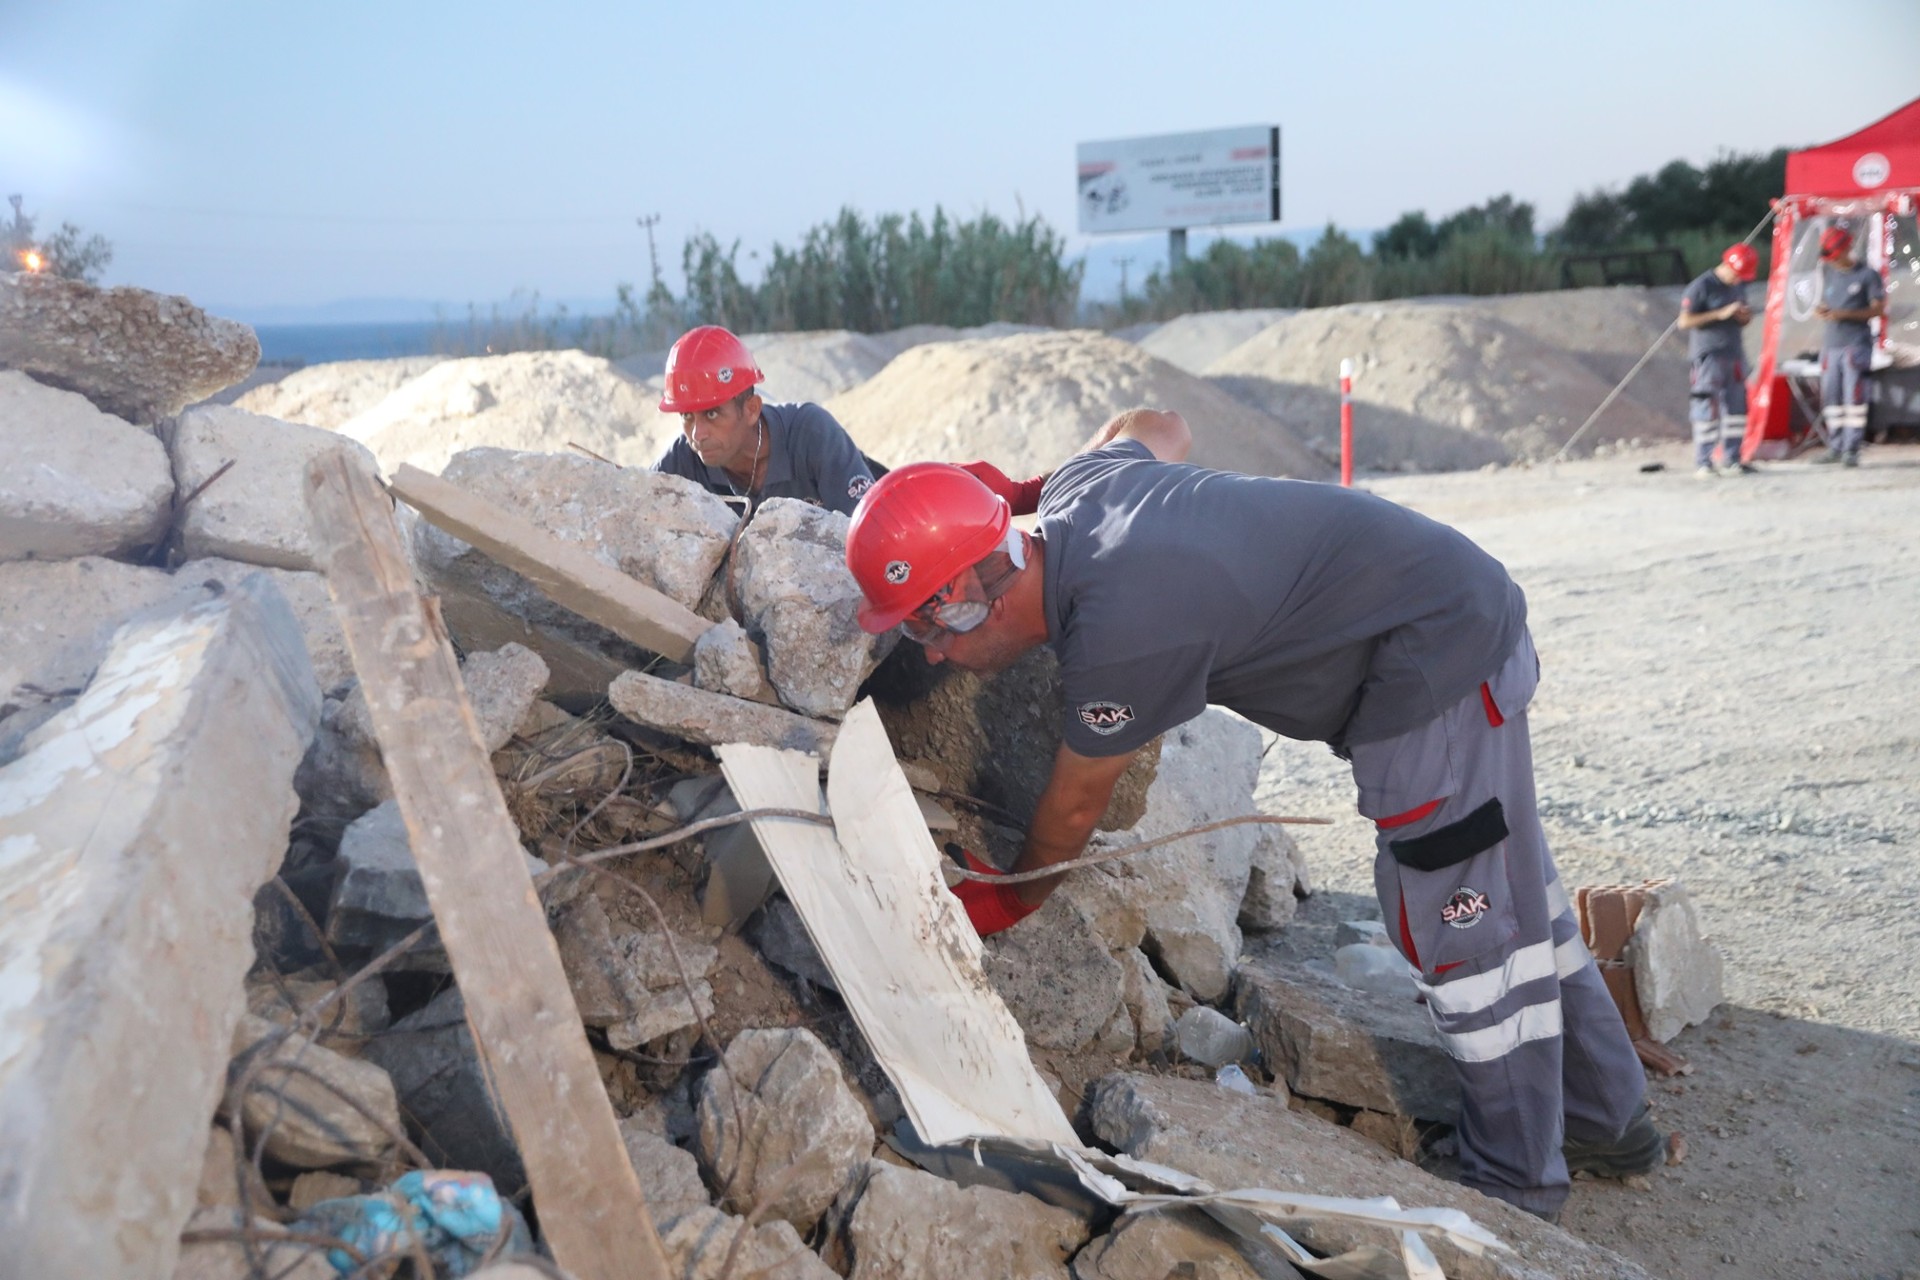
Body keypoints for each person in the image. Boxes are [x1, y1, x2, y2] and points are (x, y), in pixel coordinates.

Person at [843, 410, 1659, 1221]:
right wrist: (1029, 486)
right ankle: (1604, 1119)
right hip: (1456, 607)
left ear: (962, 599)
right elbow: (1160, 426)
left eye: (923, 626)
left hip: (1434, 662)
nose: (933, 655)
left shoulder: (1121, 630)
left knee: (1461, 926)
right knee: (1517, 895)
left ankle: (1517, 1183)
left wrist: (1013, 896)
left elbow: (1076, 803)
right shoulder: (1082, 489)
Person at [653, 325, 877, 515]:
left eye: (712, 414)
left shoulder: (811, 434)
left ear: (751, 410)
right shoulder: (683, 460)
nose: (697, 434)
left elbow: (873, 529)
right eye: (687, 416)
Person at [1677, 244, 1758, 477]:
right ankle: (1704, 461)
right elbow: (1684, 322)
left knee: (1736, 409)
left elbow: (1743, 316)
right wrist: (1719, 314)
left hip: (1733, 355)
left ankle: (1733, 459)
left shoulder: (1739, 285)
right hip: (1708, 356)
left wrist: (1743, 317)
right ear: (1728, 266)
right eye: (1737, 275)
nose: (1738, 281)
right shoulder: (1701, 287)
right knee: (1706, 408)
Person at [1810, 224, 1888, 467]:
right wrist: (1822, 311)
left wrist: (1843, 314)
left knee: (1854, 397)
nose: (1833, 262)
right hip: (1831, 345)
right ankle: (1835, 446)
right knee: (1832, 398)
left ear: (1847, 249)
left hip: (1856, 345)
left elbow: (1878, 309)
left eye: (1836, 256)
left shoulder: (1868, 275)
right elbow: (1826, 301)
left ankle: (1852, 449)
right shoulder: (1829, 272)